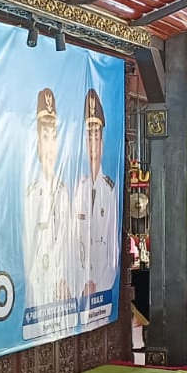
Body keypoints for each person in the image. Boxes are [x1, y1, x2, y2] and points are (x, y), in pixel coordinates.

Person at [23, 88, 72, 313]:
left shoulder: (64, 192)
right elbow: (26, 247)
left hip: (62, 285)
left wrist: (67, 279)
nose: (50, 146)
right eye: (45, 136)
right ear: (37, 142)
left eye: (54, 137)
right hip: (37, 287)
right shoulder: (30, 193)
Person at [73, 89, 118, 322]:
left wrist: (97, 285)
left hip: (102, 295)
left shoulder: (109, 190)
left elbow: (112, 250)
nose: (93, 144)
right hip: (76, 291)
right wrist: (82, 283)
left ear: (102, 141)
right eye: (88, 137)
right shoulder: (74, 189)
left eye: (97, 137)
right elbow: (70, 246)